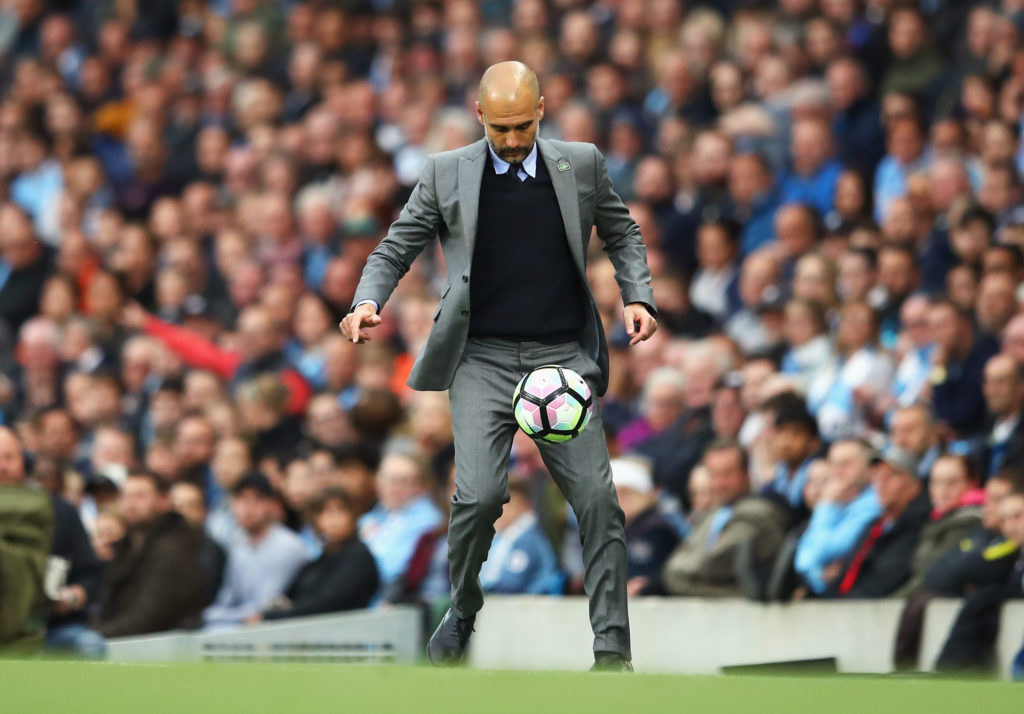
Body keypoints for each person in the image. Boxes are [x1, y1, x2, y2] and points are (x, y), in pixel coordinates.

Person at [340, 62, 657, 671]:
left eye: (522, 126)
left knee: (596, 499)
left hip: (560, 359)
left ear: (541, 109)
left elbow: (623, 233)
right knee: (481, 497)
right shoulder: (445, 172)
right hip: (480, 356)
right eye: (500, 128)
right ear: (480, 115)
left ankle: (612, 651)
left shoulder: (582, 164)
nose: (512, 141)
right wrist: (366, 300)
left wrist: (636, 294)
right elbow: (396, 244)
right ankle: (462, 607)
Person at [661, 439, 787, 598]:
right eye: (713, 474)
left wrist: (679, 573)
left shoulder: (759, 514)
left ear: (745, 473)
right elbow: (676, 561)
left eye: (726, 474)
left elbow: (710, 565)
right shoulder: (715, 514)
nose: (719, 483)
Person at [93, 471, 206, 637]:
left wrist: (92, 636)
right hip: (122, 641)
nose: (131, 504)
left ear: (164, 501)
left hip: (160, 649)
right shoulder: (125, 547)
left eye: (140, 496)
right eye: (126, 496)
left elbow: (145, 621)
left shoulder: (173, 550)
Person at [202, 473, 309, 630]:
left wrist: (211, 616)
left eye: (256, 499)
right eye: (241, 499)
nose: (247, 507)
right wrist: (209, 615)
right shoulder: (238, 542)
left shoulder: (288, 546)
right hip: (240, 623)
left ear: (272, 504)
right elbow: (228, 598)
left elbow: (264, 608)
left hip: (277, 628)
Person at [255, 488, 378, 622]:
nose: (333, 519)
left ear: (353, 515)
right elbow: (291, 594)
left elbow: (328, 603)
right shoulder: (324, 556)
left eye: (340, 510)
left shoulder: (358, 555)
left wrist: (272, 617)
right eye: (325, 512)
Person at [826, 446, 930, 598]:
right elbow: (845, 572)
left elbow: (885, 580)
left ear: (914, 486)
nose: (882, 483)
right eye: (878, 476)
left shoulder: (919, 526)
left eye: (892, 476)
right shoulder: (874, 526)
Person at [794, 440, 881, 595]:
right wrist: (819, 576)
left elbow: (826, 550)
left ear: (869, 469)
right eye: (833, 465)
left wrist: (826, 505)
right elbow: (802, 560)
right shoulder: (837, 502)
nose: (838, 472)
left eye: (846, 464)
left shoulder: (875, 502)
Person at [358, 449, 443, 597]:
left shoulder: (428, 520)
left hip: (399, 601)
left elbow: (394, 569)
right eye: (386, 478)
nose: (393, 487)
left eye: (403, 480)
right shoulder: (372, 517)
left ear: (421, 486)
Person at [479, 477, 561, 596]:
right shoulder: (499, 538)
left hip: (528, 608)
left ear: (523, 505)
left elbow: (511, 584)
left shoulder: (527, 540)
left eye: (505, 505)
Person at [610, 457, 679, 596]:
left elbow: (641, 576)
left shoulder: (654, 529)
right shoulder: (624, 527)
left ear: (641, 494)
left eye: (624, 492)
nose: (617, 499)